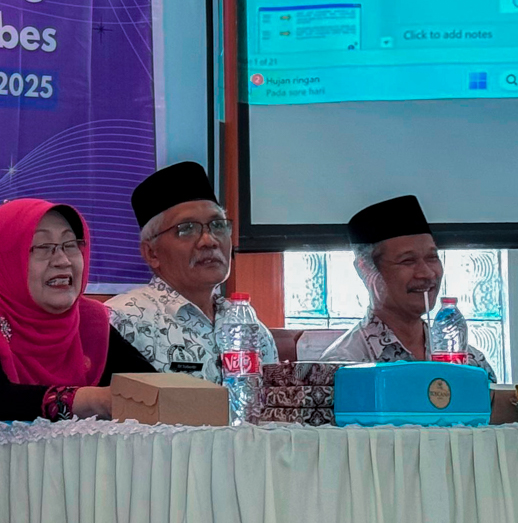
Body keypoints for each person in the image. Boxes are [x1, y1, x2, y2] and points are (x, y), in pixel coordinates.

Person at [0, 198, 153, 467]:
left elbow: (149, 386)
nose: (63, 260)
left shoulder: (89, 323)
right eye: (42, 247)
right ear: (5, 257)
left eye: (70, 245)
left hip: (74, 482)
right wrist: (94, 400)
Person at [107, 161, 277, 376]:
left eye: (218, 225)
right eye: (186, 229)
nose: (209, 240)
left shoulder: (250, 327)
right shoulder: (121, 321)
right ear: (152, 253)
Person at [318, 195, 496, 380]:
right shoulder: (342, 367)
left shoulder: (471, 364)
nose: (427, 273)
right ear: (366, 270)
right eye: (408, 261)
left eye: (432, 258)